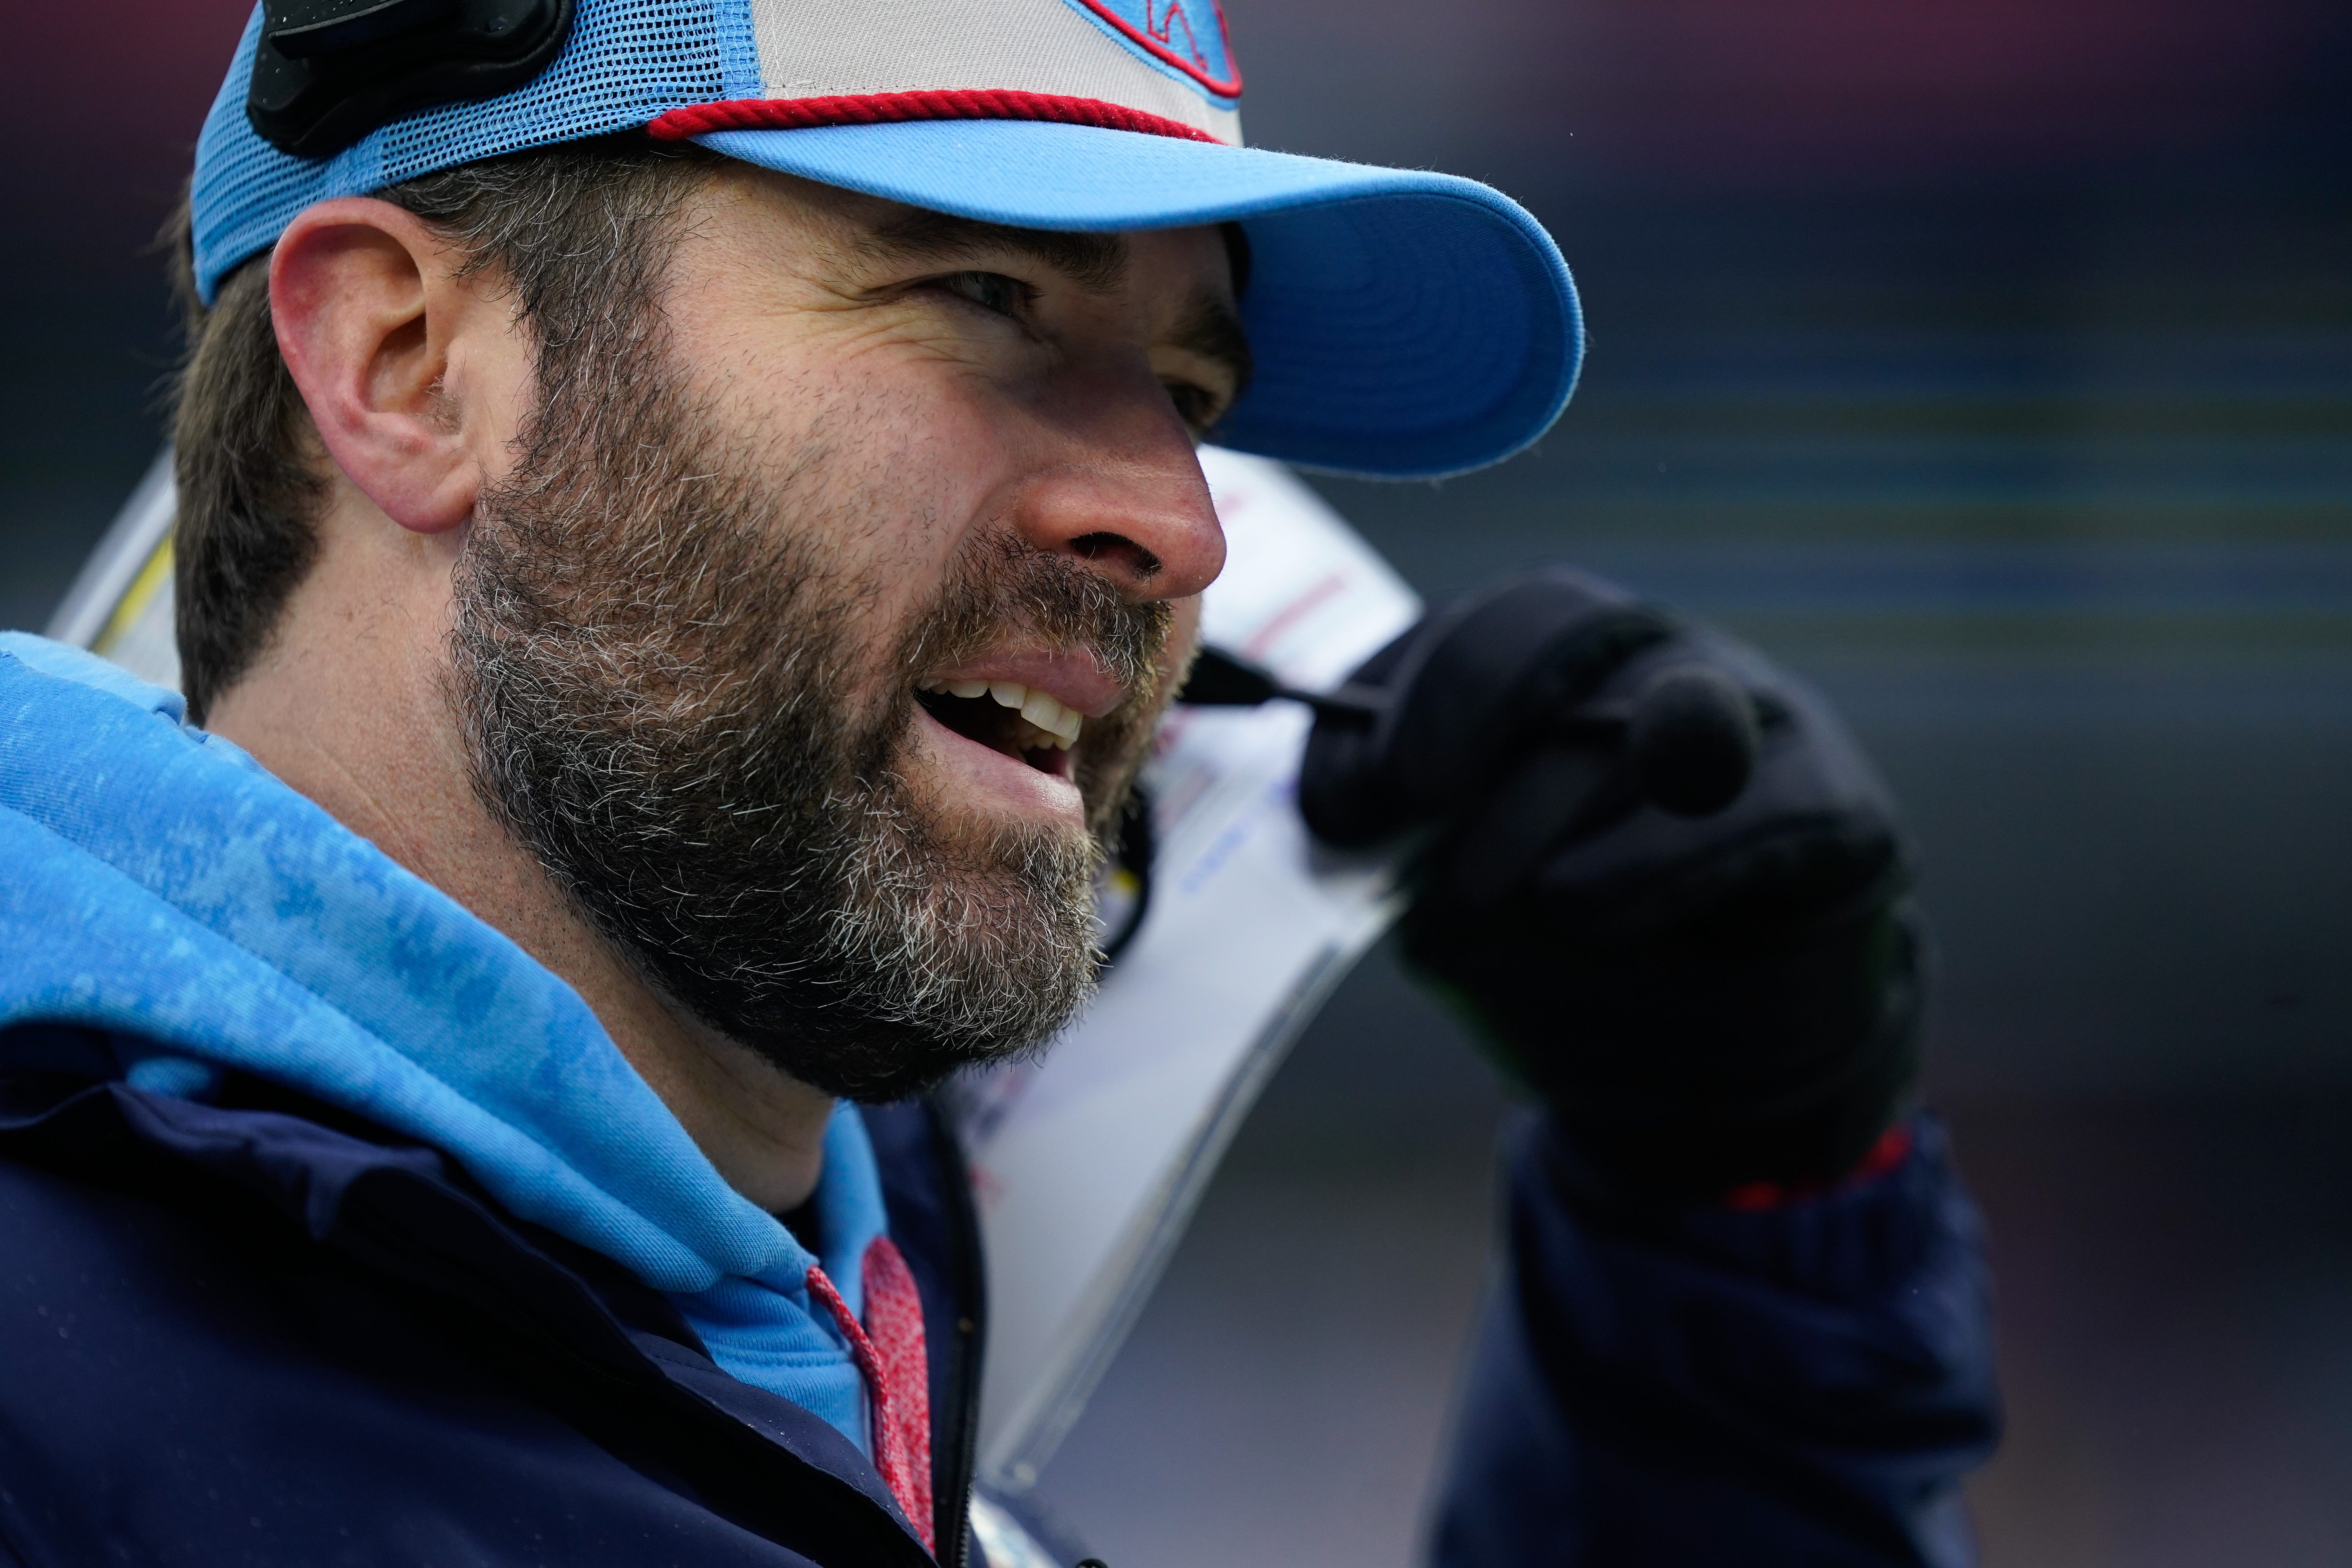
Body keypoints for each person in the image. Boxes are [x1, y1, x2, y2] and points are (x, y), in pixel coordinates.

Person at [0, 0, 1998, 1563]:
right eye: (986, 297)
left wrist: (1743, 1215)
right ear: (410, 360)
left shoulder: (825, 1355)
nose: (1181, 521)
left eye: (1192, 391)